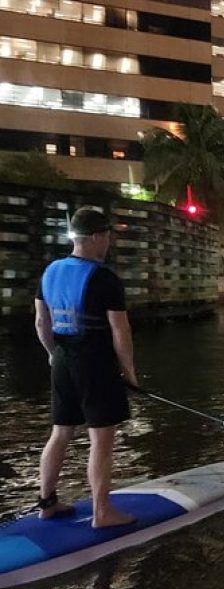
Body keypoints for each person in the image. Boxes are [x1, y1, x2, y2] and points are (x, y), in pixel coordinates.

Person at [34, 207, 138, 528]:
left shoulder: (50, 271)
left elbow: (41, 322)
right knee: (102, 439)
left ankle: (47, 503)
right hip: (95, 364)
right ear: (94, 238)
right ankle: (102, 512)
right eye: (105, 237)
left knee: (61, 433)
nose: (107, 243)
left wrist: (53, 354)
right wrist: (129, 373)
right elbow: (120, 330)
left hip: (63, 361)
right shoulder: (104, 277)